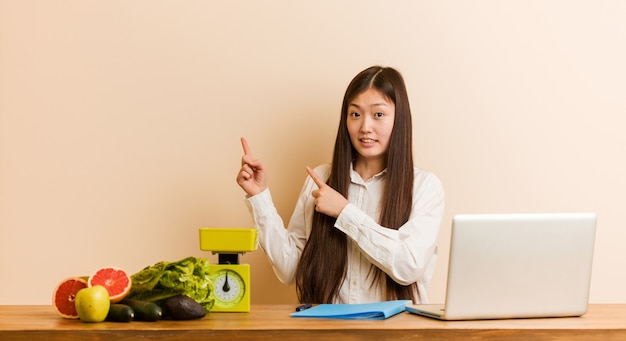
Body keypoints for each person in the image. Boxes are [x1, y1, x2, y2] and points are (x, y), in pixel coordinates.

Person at [236, 66, 445, 304]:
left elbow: (409, 266)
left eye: (378, 115)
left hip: (396, 335)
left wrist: (345, 212)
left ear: (399, 118)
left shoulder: (425, 187)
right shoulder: (321, 179)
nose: (365, 126)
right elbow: (289, 269)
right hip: (329, 332)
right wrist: (259, 196)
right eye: (355, 114)